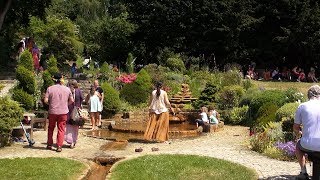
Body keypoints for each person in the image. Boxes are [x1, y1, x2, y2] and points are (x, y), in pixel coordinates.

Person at [293, 85, 320, 179]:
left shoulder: (303, 106)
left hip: (308, 144)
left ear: (309, 95)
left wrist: (299, 133)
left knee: (298, 146)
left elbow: (296, 127)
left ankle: (304, 172)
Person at [44, 73, 74, 152]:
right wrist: (66, 104)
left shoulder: (50, 89)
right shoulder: (67, 89)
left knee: (51, 128)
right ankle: (59, 146)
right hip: (63, 112)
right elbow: (72, 100)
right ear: (61, 79)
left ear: (53, 79)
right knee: (61, 129)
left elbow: (46, 100)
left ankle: (49, 144)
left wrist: (50, 104)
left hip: (53, 111)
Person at [65, 80, 83, 148]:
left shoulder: (68, 91)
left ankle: (70, 140)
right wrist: (79, 105)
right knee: (75, 126)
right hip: (76, 110)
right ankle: (73, 141)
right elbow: (82, 99)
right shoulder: (78, 91)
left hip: (69, 110)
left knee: (69, 126)